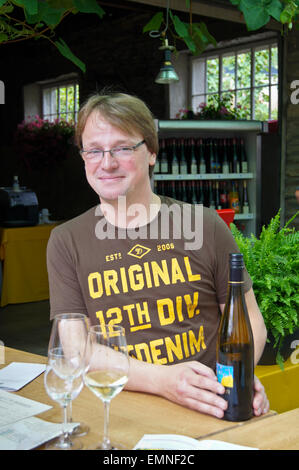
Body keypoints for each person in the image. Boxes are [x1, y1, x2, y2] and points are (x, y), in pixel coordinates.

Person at [47, 92, 269, 419]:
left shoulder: (204, 226)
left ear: (151, 152)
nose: (106, 163)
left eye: (123, 148)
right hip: (120, 406)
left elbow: (249, 322)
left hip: (208, 402)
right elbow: (78, 351)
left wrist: (238, 378)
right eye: (94, 150)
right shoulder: (67, 242)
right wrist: (163, 381)